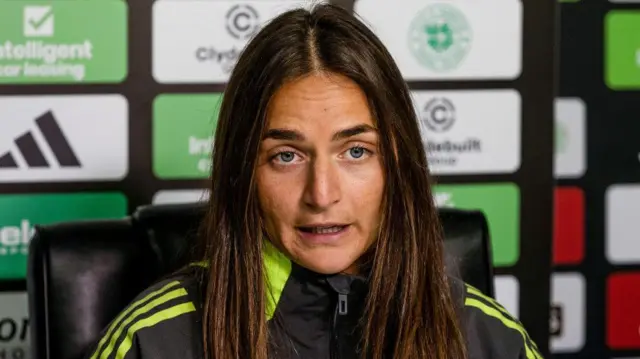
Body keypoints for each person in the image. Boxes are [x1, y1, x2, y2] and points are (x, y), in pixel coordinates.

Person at [84, 3, 543, 359]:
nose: (322, 194)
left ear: (398, 168)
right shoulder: (151, 340)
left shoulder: (488, 336)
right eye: (286, 156)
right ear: (243, 174)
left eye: (356, 152)